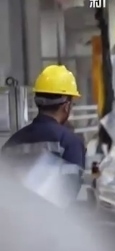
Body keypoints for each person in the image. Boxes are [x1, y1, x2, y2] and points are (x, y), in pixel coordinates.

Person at [2, 65, 86, 197]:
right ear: (66, 106)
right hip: (49, 211)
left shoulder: (11, 143)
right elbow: (69, 193)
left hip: (14, 211)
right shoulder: (70, 143)